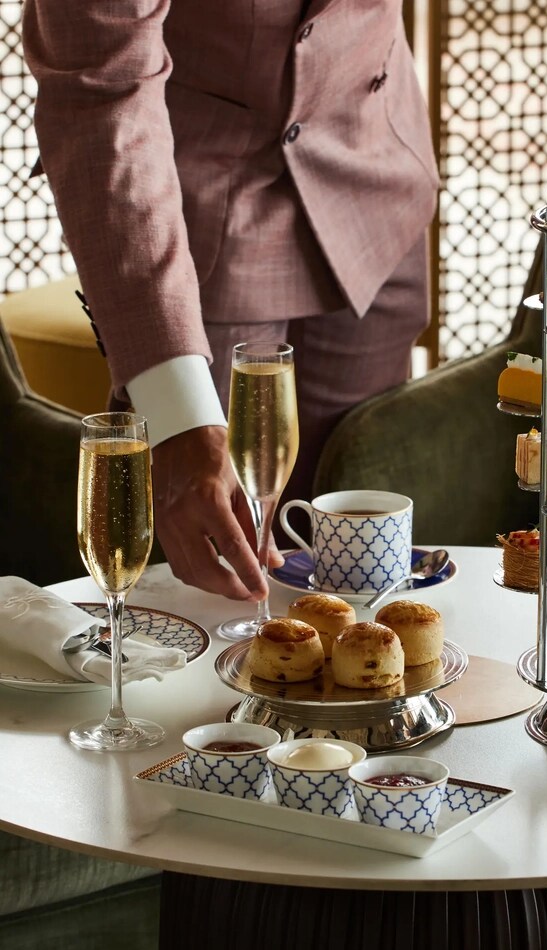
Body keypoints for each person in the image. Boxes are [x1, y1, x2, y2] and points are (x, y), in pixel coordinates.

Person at [21, 0, 438, 602]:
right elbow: (101, 94)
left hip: (374, 187)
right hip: (196, 226)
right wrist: (179, 418)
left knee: (355, 583)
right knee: (207, 580)